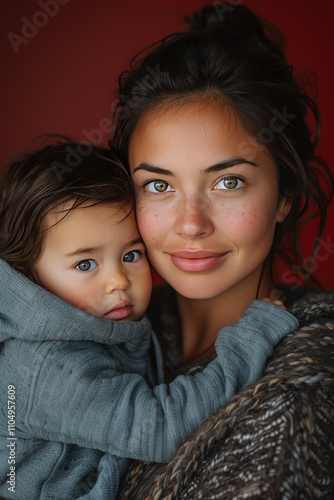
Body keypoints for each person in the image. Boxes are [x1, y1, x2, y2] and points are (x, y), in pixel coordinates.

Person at [110, 2, 334, 497]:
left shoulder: (299, 397)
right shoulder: (109, 331)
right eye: (158, 186)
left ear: (285, 197)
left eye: (228, 181)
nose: (191, 224)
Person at [0, 141, 297, 500]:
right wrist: (255, 333)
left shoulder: (102, 323)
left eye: (130, 254)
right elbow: (162, 426)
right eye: (84, 264)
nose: (118, 281)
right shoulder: (47, 368)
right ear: (29, 276)